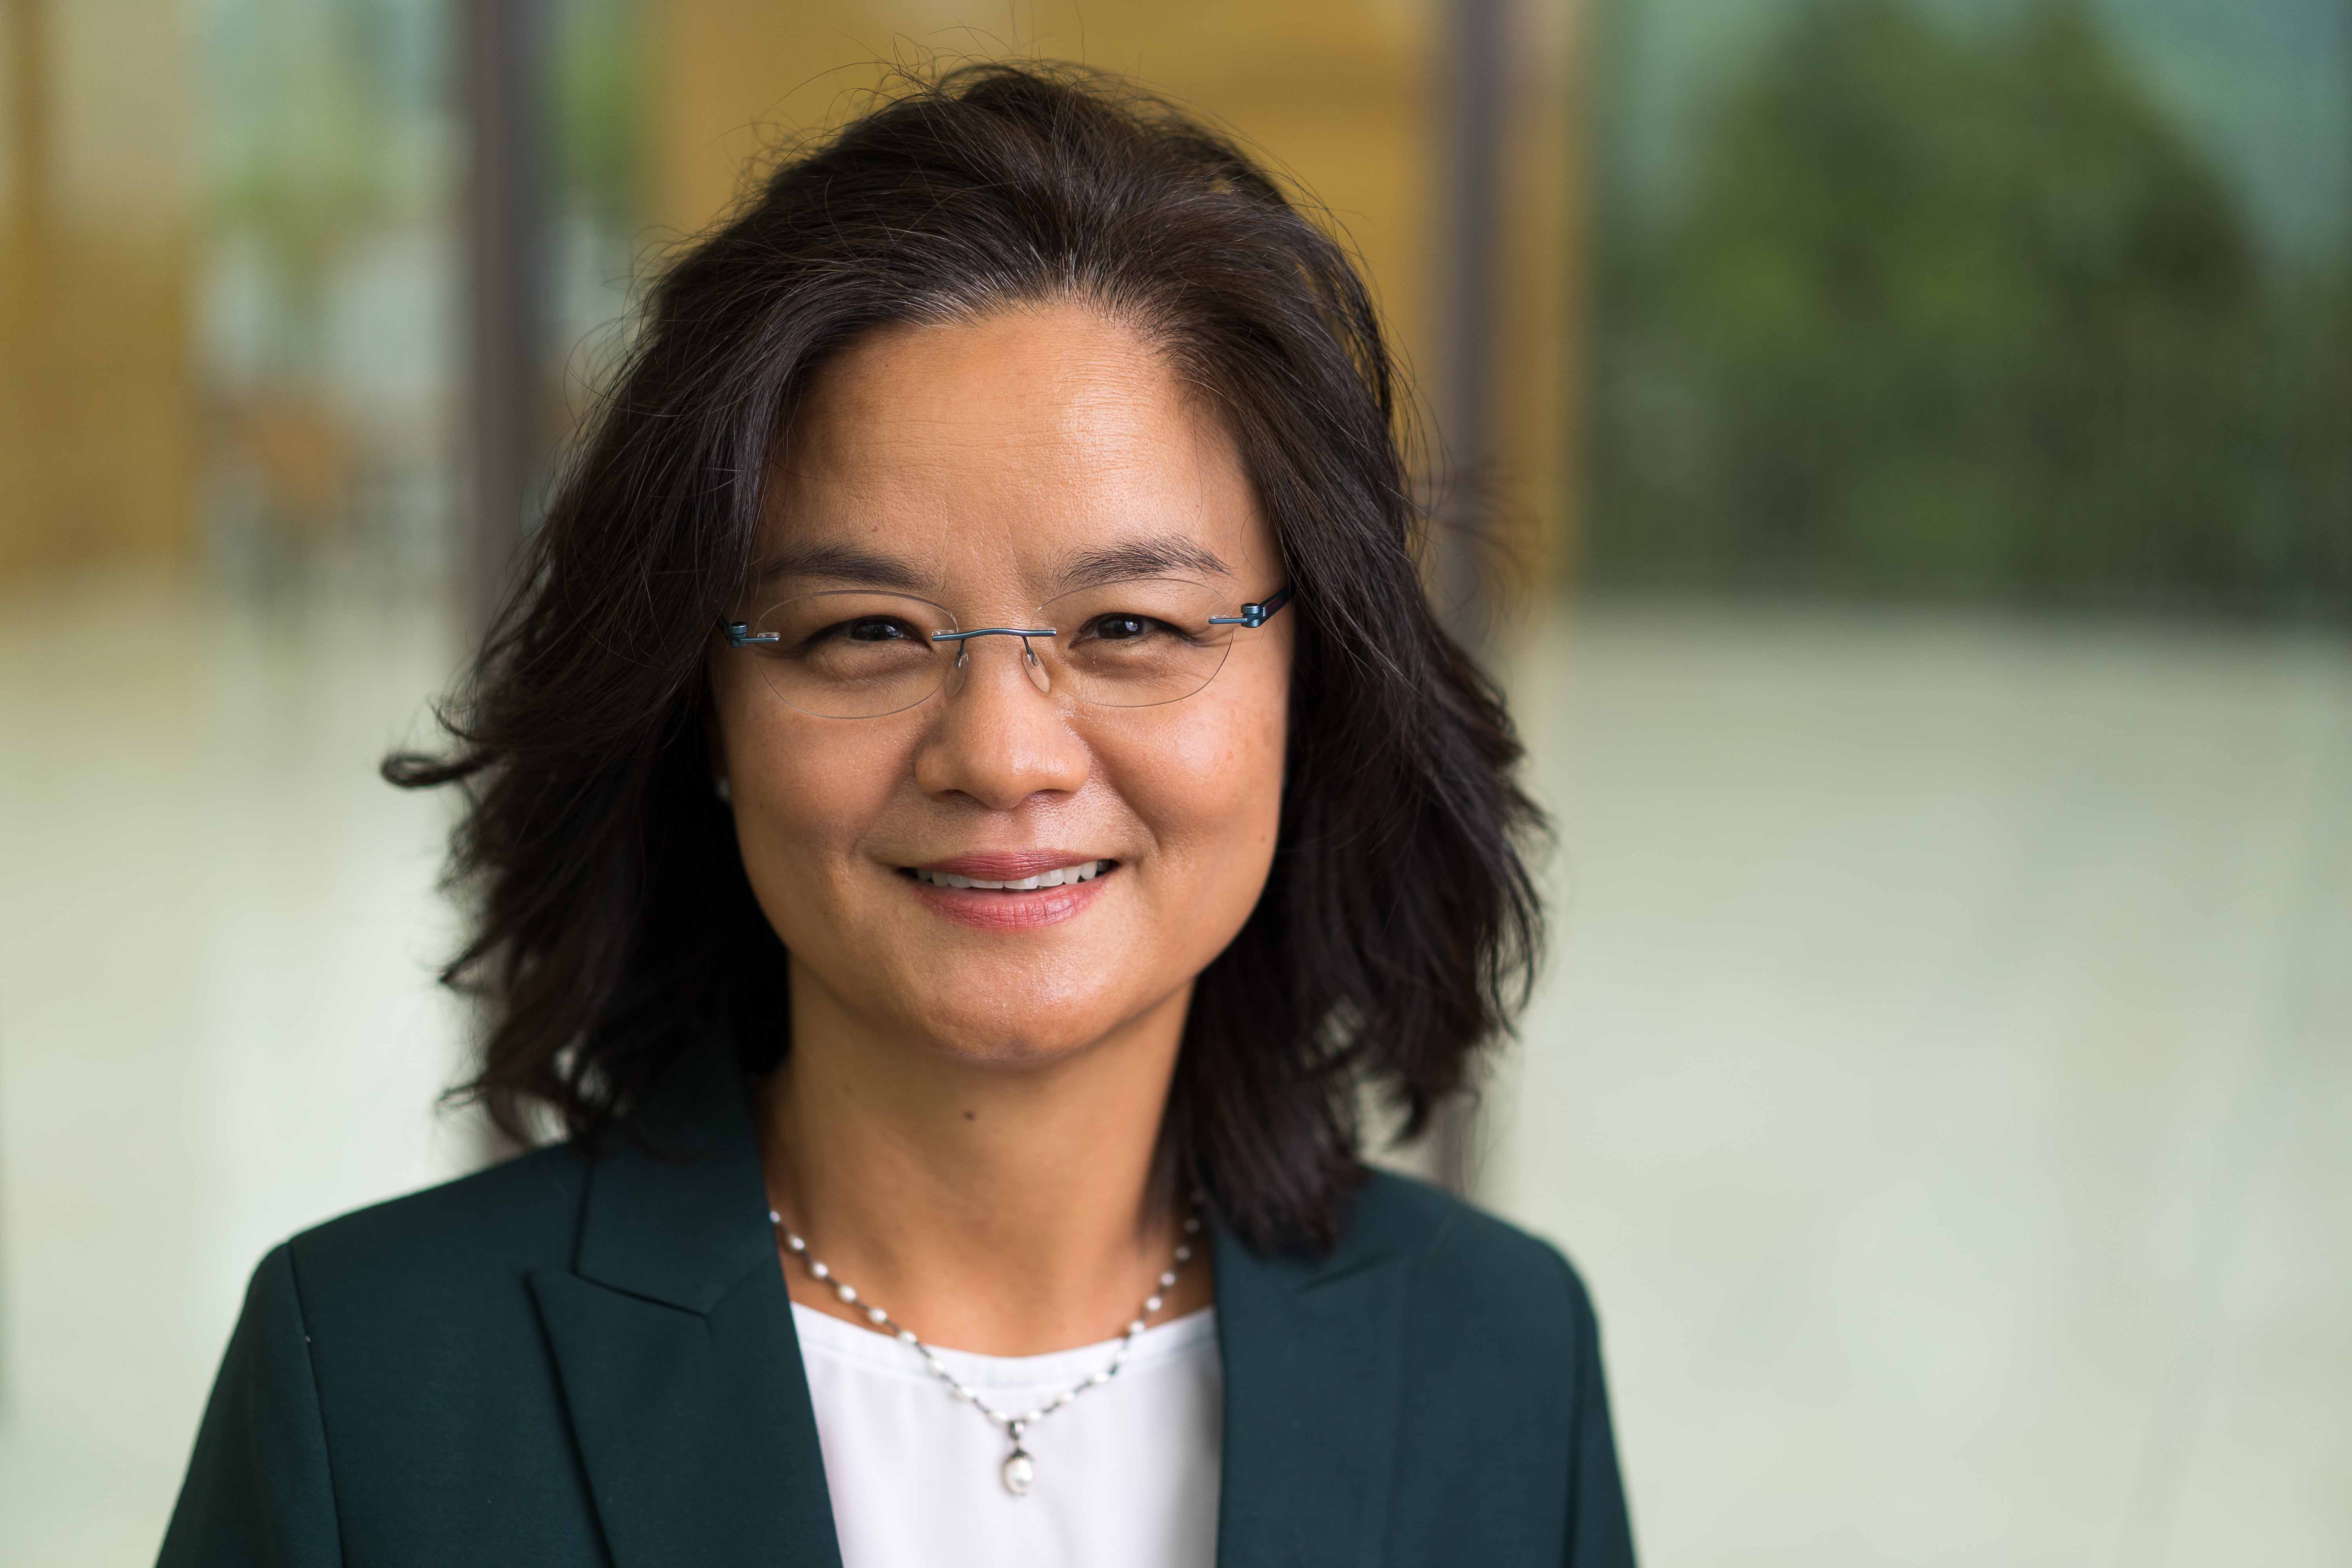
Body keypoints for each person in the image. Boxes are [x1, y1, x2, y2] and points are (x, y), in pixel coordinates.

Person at [158, 63, 1635, 1568]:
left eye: (1130, 626)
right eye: (863, 631)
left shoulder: (1505, 1360)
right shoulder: (374, 1377)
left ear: (1310, 688)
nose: (1002, 756)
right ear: (706, 713)